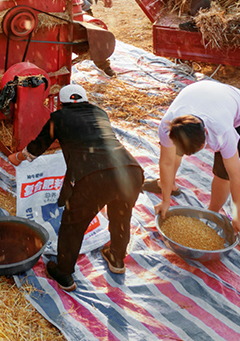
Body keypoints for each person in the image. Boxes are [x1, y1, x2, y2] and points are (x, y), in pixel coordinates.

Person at [8, 84, 144, 292]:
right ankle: (117, 259)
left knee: (73, 224)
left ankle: (63, 272)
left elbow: (37, 147)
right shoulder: (100, 112)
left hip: (94, 176)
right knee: (121, 217)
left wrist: (18, 157)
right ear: (85, 100)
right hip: (130, 170)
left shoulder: (59, 117)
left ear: (62, 104)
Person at [143, 80, 240, 239]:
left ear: (206, 133)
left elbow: (235, 177)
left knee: (223, 174)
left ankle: (211, 213)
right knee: (172, 156)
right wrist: (165, 200)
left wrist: (238, 217)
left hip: (236, 107)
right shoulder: (169, 126)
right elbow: (166, 162)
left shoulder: (223, 133)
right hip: (201, 94)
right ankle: (169, 185)